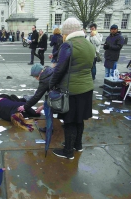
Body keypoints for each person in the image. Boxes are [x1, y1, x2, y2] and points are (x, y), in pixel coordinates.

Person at [50, 18, 95, 159]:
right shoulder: (88, 44)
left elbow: (59, 69)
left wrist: (51, 84)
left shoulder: (68, 45)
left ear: (67, 32)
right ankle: (78, 145)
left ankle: (68, 151)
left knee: (69, 120)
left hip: (72, 90)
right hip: (87, 88)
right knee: (79, 119)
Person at [17, 64, 54, 132]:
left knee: (48, 109)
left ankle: (49, 129)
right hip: (63, 93)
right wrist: (42, 106)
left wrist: (24, 107)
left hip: (60, 96)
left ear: (40, 73)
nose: (36, 78)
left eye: (36, 76)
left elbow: (37, 96)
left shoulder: (45, 79)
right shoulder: (49, 70)